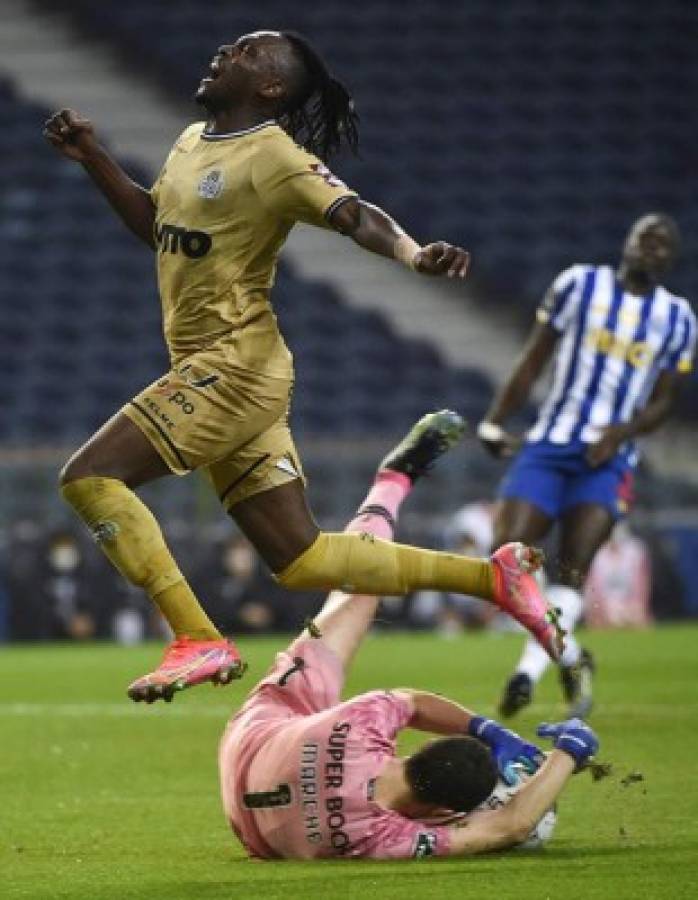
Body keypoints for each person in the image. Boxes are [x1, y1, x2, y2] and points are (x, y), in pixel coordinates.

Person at [43, 31, 563, 701]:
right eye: (233, 45)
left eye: (247, 52)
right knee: (302, 558)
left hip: (235, 367)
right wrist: (94, 159)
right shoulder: (189, 142)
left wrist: (411, 254)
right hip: (227, 368)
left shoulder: (275, 157)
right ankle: (492, 579)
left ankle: (196, 636)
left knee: (89, 477)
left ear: (271, 88)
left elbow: (353, 214)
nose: (227, 50)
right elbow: (157, 228)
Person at [219, 428, 599, 860]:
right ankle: (480, 572)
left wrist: (503, 735)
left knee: (361, 580)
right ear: (440, 807)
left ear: (421, 748)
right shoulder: (380, 835)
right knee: (361, 576)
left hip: (258, 734)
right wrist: (562, 758)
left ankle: (393, 480)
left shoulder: (362, 727)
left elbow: (413, 703)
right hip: (249, 819)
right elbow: (506, 828)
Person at [477, 213, 697, 718]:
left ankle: (527, 672)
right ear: (628, 241)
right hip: (550, 443)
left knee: (572, 570)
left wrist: (622, 432)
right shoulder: (579, 284)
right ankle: (574, 657)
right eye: (646, 237)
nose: (652, 248)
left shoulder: (679, 318)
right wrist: (494, 420)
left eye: (664, 245)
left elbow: (665, 402)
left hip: (609, 457)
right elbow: (534, 357)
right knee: (503, 561)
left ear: (671, 260)